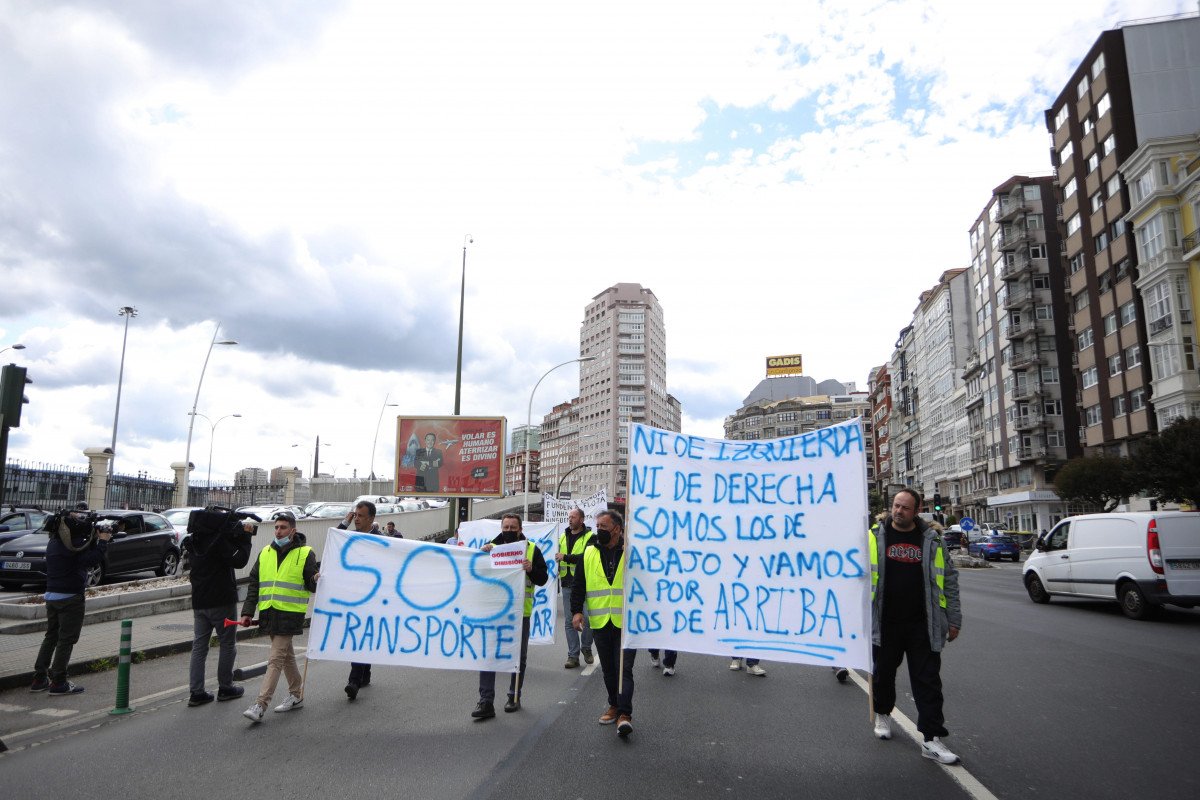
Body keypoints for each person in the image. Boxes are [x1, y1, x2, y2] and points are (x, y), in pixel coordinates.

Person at [870, 488, 962, 764]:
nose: (899, 511)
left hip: (924, 623)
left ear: (916, 509)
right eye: (896, 506)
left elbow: (950, 580)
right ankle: (883, 715)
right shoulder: (875, 537)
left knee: (928, 680)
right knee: (883, 673)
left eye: (905, 508)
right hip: (885, 622)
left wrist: (954, 619)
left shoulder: (932, 540)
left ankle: (932, 739)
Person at [240, 512, 319, 723]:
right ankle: (296, 694)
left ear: (293, 531)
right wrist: (248, 612)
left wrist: (316, 578)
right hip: (269, 612)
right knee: (286, 656)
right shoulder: (265, 552)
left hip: (290, 613)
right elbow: (254, 584)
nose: (278, 531)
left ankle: (260, 704)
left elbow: (311, 585)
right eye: (276, 527)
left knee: (275, 659)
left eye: (283, 528)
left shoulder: (305, 553)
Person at [472, 513, 548, 718]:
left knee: (518, 657)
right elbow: (476, 574)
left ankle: (514, 696)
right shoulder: (489, 549)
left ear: (520, 530)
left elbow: (543, 579)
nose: (508, 531)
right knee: (489, 656)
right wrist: (481, 555)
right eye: (505, 527)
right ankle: (485, 701)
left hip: (520, 613)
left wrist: (531, 569)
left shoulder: (532, 549)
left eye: (513, 528)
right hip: (494, 612)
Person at [30, 511, 112, 695]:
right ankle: (59, 682)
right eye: (76, 519)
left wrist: (92, 539)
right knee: (66, 639)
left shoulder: (55, 542)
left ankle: (39, 678)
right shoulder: (73, 544)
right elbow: (90, 560)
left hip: (51, 595)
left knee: (51, 636)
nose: (80, 522)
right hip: (70, 597)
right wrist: (103, 541)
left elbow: (80, 555)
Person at [572, 509, 635, 737]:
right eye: (597, 526)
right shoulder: (588, 553)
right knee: (608, 669)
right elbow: (579, 585)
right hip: (600, 622)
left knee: (623, 669)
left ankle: (625, 714)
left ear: (617, 529)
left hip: (626, 623)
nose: (599, 530)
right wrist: (577, 611)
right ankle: (614, 704)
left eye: (604, 527)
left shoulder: (631, 552)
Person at [185, 510, 253, 706]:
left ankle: (196, 692)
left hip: (199, 602)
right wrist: (246, 537)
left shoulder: (194, 541)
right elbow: (240, 560)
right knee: (227, 644)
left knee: (199, 647)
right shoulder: (219, 541)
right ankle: (225, 687)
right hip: (222, 601)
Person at [338, 501, 383, 700]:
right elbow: (334, 540)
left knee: (362, 636)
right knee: (361, 636)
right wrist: (344, 522)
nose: (356, 518)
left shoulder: (380, 541)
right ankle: (364, 674)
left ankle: (354, 681)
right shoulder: (350, 536)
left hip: (372, 598)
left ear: (371, 519)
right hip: (353, 597)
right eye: (355, 515)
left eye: (360, 516)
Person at [555, 507, 594, 669]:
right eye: (569, 517)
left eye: (573, 517)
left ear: (581, 520)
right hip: (566, 583)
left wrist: (566, 557)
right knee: (570, 622)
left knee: (588, 619)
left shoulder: (591, 537)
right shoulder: (563, 537)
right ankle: (573, 656)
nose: (570, 519)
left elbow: (586, 558)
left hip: (584, 584)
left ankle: (586, 647)